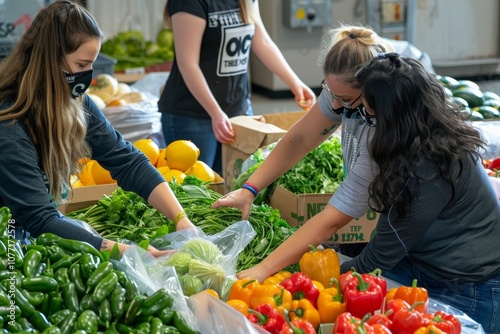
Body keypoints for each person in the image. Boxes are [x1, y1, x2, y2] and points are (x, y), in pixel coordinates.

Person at [0, 0, 196, 256]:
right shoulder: (10, 126)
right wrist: (133, 253)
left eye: (91, 64)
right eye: (81, 65)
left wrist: (181, 219)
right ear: (49, 60)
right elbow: (41, 220)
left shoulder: (73, 103)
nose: (88, 75)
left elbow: (128, 162)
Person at [212, 23, 389, 274]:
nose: (336, 108)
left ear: (372, 91)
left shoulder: (380, 133)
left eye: (346, 100)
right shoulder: (343, 92)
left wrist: (262, 269)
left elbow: (332, 220)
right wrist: (249, 189)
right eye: (330, 94)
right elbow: (301, 138)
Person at [348, 52, 500, 333]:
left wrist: (319, 276)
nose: (369, 125)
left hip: (472, 288)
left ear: (392, 120)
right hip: (431, 266)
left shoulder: (428, 169)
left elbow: (378, 258)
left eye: (371, 117)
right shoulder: (430, 136)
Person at [158, 0, 316, 175]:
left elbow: (262, 41)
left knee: (234, 183)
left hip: (238, 110)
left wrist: (295, 83)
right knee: (201, 188)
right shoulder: (189, 3)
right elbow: (187, 64)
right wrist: (215, 112)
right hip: (192, 115)